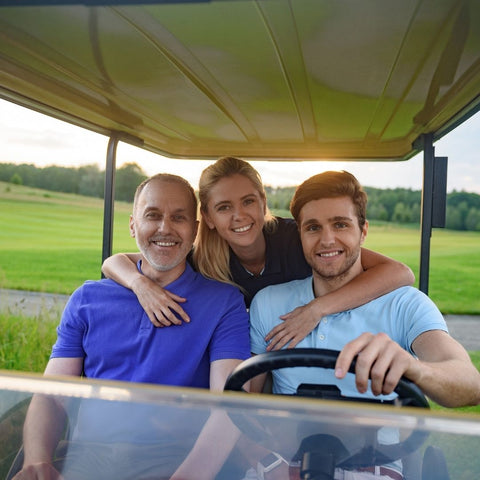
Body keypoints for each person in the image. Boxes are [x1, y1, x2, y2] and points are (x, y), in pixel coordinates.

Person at [14, 173, 251, 480]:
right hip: (90, 457)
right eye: (153, 215)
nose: (165, 228)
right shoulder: (87, 298)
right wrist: (36, 461)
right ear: (132, 225)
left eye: (179, 217)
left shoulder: (224, 302)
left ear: (194, 230)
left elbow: (228, 405)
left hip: (175, 459)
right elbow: (52, 394)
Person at [248, 170, 480, 479]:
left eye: (341, 224)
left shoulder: (405, 304)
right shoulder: (268, 303)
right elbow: (247, 399)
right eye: (313, 227)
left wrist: (415, 367)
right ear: (300, 235)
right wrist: (265, 460)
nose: (327, 239)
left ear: (363, 231)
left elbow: (470, 385)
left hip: (373, 463)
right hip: (285, 460)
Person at [102, 157, 415, 350]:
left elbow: (401, 273)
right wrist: (140, 285)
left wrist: (317, 309)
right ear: (208, 218)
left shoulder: (299, 236)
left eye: (248, 202)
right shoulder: (205, 258)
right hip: (261, 347)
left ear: (264, 203)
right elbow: (114, 263)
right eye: (224, 207)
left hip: (316, 339)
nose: (239, 216)